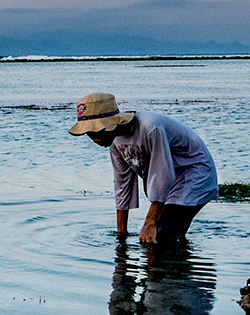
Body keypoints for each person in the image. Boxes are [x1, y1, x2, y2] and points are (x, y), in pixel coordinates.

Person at [67, 91, 216, 245]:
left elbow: (162, 173)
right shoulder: (114, 142)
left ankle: (175, 263)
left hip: (194, 173)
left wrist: (150, 221)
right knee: (160, 235)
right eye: (90, 134)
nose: (96, 139)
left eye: (99, 131)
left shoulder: (150, 127)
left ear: (113, 122)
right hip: (170, 181)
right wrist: (121, 235)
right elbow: (122, 184)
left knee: (159, 235)